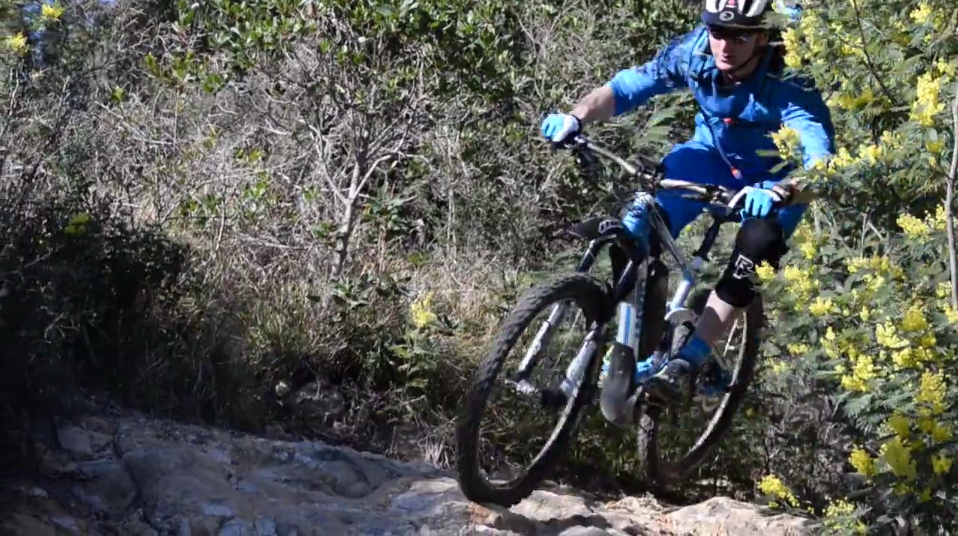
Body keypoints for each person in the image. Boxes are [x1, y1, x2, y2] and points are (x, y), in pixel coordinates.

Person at [540, 0, 835, 405]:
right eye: (718, 32)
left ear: (763, 37)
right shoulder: (693, 53)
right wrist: (576, 117)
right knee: (637, 225)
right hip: (709, 158)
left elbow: (821, 164)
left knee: (757, 245)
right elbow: (626, 87)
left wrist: (781, 191)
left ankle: (690, 359)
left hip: (775, 180)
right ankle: (637, 339)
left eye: (740, 36)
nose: (725, 46)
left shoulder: (789, 79)